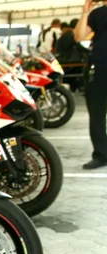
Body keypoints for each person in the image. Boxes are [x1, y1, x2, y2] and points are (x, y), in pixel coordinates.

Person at [75, 0, 107, 169]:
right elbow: (79, 36)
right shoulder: (98, 13)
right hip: (99, 68)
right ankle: (102, 154)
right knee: (97, 115)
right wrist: (85, 12)